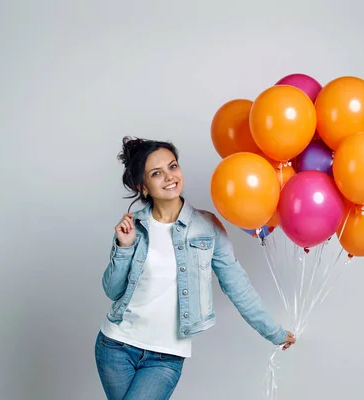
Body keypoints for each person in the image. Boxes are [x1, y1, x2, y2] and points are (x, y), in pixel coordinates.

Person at [95, 136, 296, 399]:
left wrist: (275, 333)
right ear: (143, 186)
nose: (169, 177)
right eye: (157, 173)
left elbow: (237, 285)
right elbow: (112, 290)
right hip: (116, 347)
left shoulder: (207, 227)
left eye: (173, 166)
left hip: (165, 358)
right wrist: (123, 247)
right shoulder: (133, 227)